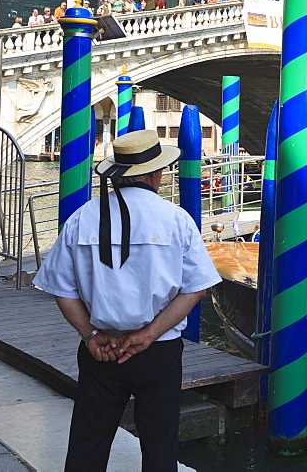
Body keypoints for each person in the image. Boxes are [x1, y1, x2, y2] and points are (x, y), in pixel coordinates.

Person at [33, 130, 221, 470]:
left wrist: (91, 335)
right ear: (154, 174)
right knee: (159, 445)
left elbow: (62, 289)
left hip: (101, 350)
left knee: (88, 443)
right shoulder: (176, 219)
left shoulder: (82, 217)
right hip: (158, 349)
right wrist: (146, 336)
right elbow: (196, 288)